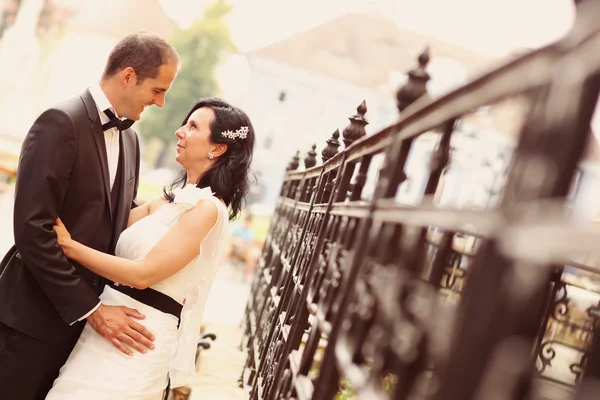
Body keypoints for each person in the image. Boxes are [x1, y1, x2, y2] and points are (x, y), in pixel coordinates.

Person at [0, 32, 179, 399]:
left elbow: (113, 214)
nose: (160, 103)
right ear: (128, 76)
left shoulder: (131, 139)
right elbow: (33, 231)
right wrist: (91, 311)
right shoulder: (60, 122)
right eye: (158, 90)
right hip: (29, 322)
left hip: (82, 337)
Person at [45, 98, 256, 399]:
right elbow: (106, 228)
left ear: (218, 148)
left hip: (138, 340)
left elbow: (143, 274)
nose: (179, 132)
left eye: (193, 126)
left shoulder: (208, 210)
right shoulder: (167, 202)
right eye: (185, 123)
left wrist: (69, 247)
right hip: (100, 328)